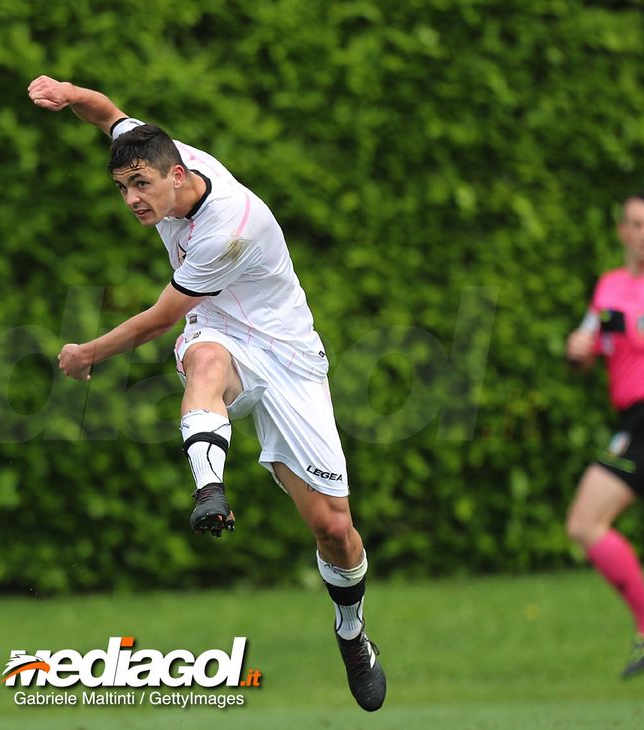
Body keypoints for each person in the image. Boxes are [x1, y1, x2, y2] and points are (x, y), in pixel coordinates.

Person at [28, 75, 386, 711]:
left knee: (335, 530)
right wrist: (64, 91)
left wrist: (86, 354)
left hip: (289, 352)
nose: (132, 200)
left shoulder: (228, 226)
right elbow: (107, 114)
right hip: (221, 327)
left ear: (177, 173)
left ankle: (352, 632)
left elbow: (158, 318)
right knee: (206, 359)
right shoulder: (161, 155)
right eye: (122, 188)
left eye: (141, 186)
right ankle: (209, 490)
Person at [565, 192, 644, 678]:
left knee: (585, 524)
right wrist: (578, 349)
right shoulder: (608, 287)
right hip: (638, 420)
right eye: (636, 224)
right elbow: (586, 356)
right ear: (622, 231)